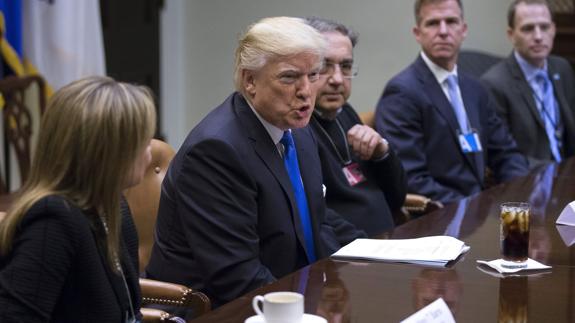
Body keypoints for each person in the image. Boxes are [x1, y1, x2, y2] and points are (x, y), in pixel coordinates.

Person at [146, 16, 364, 308]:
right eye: (289, 77)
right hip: (218, 310)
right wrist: (309, 310)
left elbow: (316, 223)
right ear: (250, 81)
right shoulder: (216, 151)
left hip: (292, 294)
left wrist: (358, 266)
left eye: (313, 75)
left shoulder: (297, 129)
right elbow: (237, 276)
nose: (306, 91)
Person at [0, 76, 156, 322]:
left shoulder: (114, 207)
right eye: (143, 141)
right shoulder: (53, 221)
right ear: (108, 154)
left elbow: (130, 312)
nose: (151, 150)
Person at [375, 0, 529, 204]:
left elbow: (507, 154)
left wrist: (518, 196)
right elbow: (412, 179)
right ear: (417, 33)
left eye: (451, 21)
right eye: (432, 23)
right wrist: (475, 208)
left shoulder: (475, 88)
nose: (443, 31)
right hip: (442, 217)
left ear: (463, 30)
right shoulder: (401, 93)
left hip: (483, 210)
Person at [305, 17, 407, 236]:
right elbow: (316, 219)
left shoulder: (346, 112)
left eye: (346, 66)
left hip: (388, 243)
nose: (338, 79)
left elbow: (397, 197)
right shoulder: (297, 128)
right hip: (350, 257)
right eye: (325, 66)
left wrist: (382, 153)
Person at [481, 0, 575, 170]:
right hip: (532, 181)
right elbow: (504, 156)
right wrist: (560, 173)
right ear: (511, 34)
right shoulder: (494, 84)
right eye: (528, 28)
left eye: (544, 27)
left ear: (553, 29)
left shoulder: (562, 68)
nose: (538, 36)